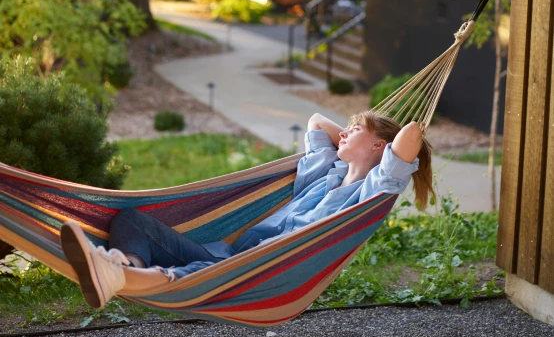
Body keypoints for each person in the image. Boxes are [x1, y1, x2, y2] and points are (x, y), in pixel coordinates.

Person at [60, 110, 434, 309]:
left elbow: (411, 135)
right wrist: (356, 136)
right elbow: (317, 120)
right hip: (232, 257)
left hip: (263, 270)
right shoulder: (326, 171)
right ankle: (125, 268)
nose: (346, 131)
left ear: (380, 148)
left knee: (198, 275)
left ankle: (118, 275)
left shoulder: (370, 194)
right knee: (130, 219)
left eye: (356, 128)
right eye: (348, 127)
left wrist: (377, 139)